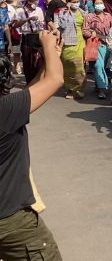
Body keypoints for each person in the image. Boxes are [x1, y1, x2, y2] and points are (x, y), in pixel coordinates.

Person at [0, 29, 64, 261]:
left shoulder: (9, 109)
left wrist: (49, 59)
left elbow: (32, 92)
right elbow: (55, 80)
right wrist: (47, 43)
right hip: (12, 221)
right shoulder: (6, 110)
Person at [54, 0, 85, 100]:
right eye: (73, 2)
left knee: (79, 68)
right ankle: (70, 89)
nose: (76, 4)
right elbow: (62, 25)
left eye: (77, 2)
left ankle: (78, 89)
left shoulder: (82, 12)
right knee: (68, 67)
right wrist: (67, 11)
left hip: (80, 42)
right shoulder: (62, 12)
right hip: (67, 43)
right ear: (68, 2)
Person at [83, 0, 112, 100]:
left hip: (108, 44)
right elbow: (85, 30)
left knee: (105, 67)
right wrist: (92, 33)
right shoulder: (89, 16)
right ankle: (101, 89)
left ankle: (98, 85)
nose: (99, 5)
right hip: (96, 44)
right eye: (97, 3)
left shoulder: (108, 16)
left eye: (101, 3)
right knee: (98, 66)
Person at [12, 0, 45, 83]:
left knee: (39, 61)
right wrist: (27, 19)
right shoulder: (19, 11)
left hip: (37, 36)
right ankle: (29, 81)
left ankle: (38, 80)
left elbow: (42, 24)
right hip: (27, 37)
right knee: (27, 61)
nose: (37, 1)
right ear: (28, 1)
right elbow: (15, 25)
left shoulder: (39, 10)